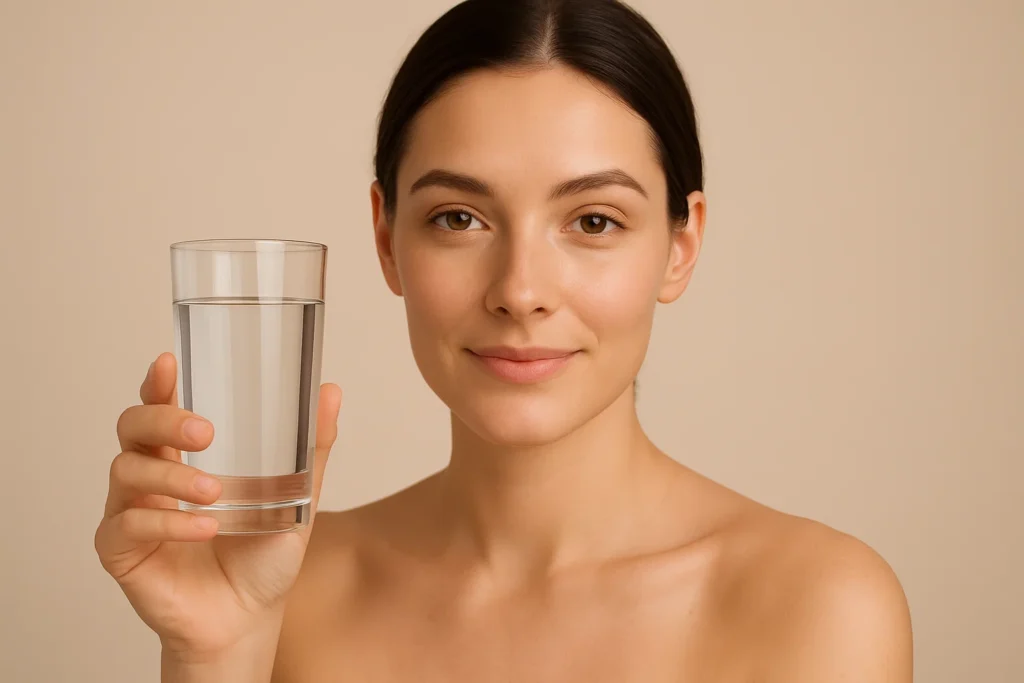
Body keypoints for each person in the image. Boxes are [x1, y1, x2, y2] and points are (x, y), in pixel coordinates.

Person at [94, 0, 913, 680]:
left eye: (594, 220)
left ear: (681, 244)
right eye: (460, 218)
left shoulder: (820, 607)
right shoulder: (285, 587)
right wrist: (214, 650)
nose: (520, 290)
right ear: (386, 240)